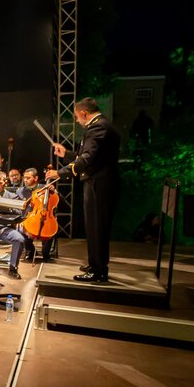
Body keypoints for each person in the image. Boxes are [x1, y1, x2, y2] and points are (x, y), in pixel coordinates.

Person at [48, 97, 121, 282]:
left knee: (97, 227)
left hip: (99, 184)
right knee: (94, 226)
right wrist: (66, 154)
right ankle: (95, 264)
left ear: (83, 113)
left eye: (76, 116)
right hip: (99, 183)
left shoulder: (98, 127)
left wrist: (60, 173)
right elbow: (88, 156)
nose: (76, 120)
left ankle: (98, 271)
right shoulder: (102, 125)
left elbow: (87, 158)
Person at [0, 171, 24, 280]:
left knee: (19, 239)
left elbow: (19, 213)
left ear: (5, 183)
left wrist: (7, 207)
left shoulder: (13, 196)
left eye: (0, 183)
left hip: (5, 228)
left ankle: (13, 268)